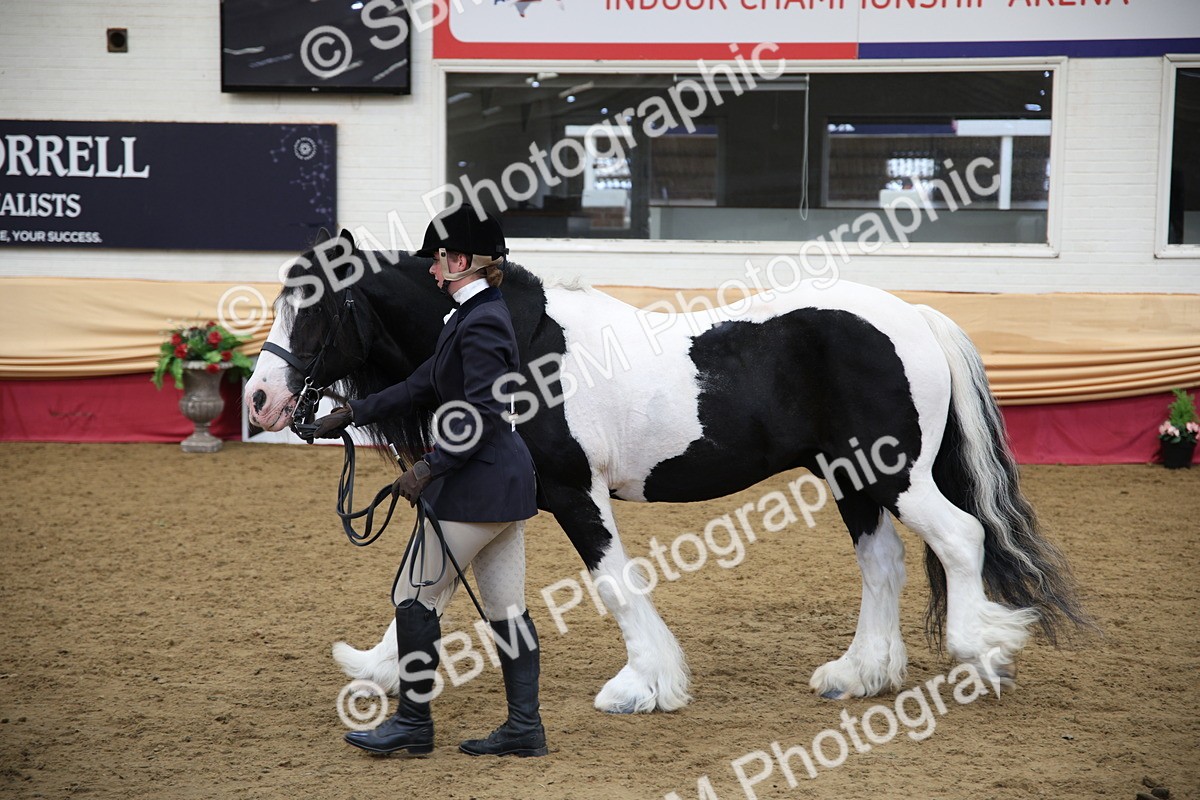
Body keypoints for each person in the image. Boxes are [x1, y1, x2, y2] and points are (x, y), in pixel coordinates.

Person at [309, 207, 545, 758]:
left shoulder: (482, 320)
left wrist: (428, 466)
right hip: (501, 487)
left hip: (476, 485)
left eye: (439, 261)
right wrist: (352, 411)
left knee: (413, 596)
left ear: (462, 261)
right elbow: (421, 383)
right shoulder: (467, 315)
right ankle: (524, 728)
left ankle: (414, 723)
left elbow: (484, 412)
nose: (432, 273)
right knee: (507, 610)